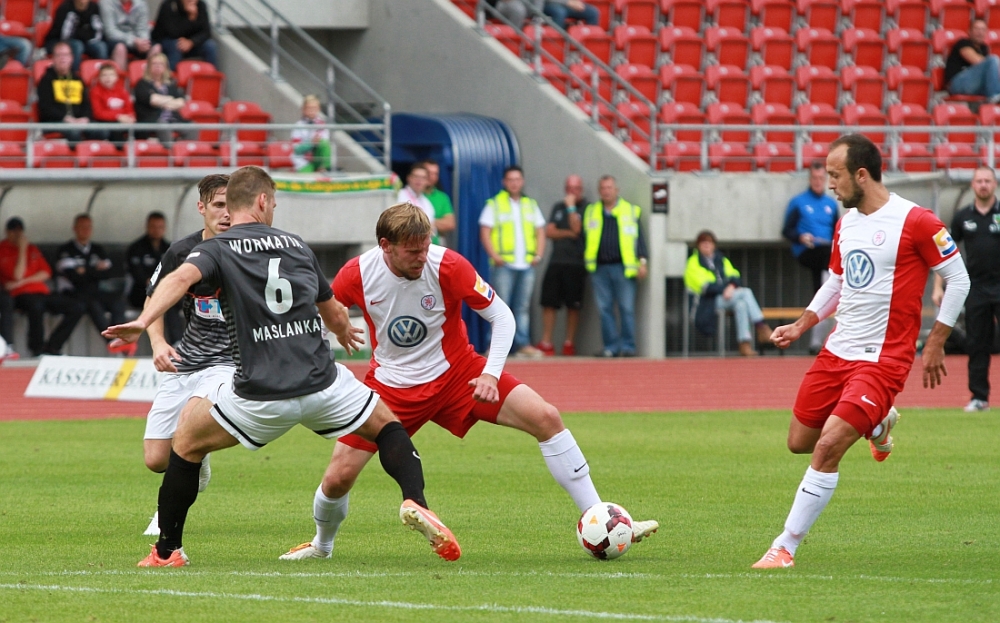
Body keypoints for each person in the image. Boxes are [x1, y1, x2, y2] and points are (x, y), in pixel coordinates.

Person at [103, 166, 459, 567]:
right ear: (261, 201)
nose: (273, 208)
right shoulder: (295, 244)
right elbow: (332, 311)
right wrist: (343, 331)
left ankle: (167, 551)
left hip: (262, 391)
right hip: (323, 381)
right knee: (387, 426)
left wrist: (143, 320)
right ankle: (415, 499)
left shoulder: (216, 248)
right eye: (273, 201)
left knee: (185, 443)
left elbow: (180, 277)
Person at [278, 203, 658, 561]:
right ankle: (322, 546)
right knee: (338, 477)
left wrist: (490, 373)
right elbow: (318, 315)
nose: (422, 256)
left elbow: (502, 317)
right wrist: (335, 334)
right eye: (412, 251)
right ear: (386, 246)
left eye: (426, 246)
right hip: (392, 387)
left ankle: (601, 519)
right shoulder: (357, 273)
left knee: (546, 417)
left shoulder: (448, 265)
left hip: (459, 374)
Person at [752, 134, 970, 569]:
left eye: (836, 175)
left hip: (883, 360)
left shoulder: (917, 221)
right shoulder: (846, 222)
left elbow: (958, 278)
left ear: (862, 175)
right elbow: (837, 281)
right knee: (799, 442)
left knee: (828, 446)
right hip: (837, 351)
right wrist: (801, 324)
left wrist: (936, 342)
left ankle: (785, 547)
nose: (830, 184)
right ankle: (879, 421)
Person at [139, 175, 233, 536]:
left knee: (187, 432)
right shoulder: (181, 251)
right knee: (155, 459)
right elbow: (154, 298)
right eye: (218, 205)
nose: (226, 213)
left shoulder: (251, 250)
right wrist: (158, 344)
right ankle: (198, 458)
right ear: (202, 207)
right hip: (187, 359)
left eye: (232, 205)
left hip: (231, 361)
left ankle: (165, 517)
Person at [932, 166, 1000, 412]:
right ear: (973, 185)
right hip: (976, 289)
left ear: (994, 184)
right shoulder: (962, 217)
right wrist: (938, 287)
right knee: (977, 344)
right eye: (979, 181)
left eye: (987, 181)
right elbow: (945, 254)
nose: (983, 185)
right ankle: (979, 398)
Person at [479, 166, 547, 358]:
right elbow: (485, 232)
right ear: (504, 182)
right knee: (500, 307)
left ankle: (522, 344)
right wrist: (495, 256)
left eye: (517, 179)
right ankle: (495, 346)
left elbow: (540, 231)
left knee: (522, 307)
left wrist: (538, 255)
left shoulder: (530, 204)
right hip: (504, 265)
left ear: (522, 181)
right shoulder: (494, 204)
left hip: (526, 264)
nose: (514, 183)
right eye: (510, 179)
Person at [0, 217, 85, 357]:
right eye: (13, 231)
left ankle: (53, 346)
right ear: (7, 232)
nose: (17, 234)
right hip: (20, 294)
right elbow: (17, 275)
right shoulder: (3, 250)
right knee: (36, 306)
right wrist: (22, 250)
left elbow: (46, 272)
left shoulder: (32, 248)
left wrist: (22, 281)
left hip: (40, 291)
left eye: (19, 231)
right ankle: (36, 348)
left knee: (77, 307)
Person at [583, 175, 647, 357]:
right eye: (603, 188)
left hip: (624, 268)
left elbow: (640, 239)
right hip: (599, 268)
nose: (606, 191)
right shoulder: (591, 211)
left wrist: (643, 262)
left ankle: (628, 347)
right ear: (599, 191)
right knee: (604, 309)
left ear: (616, 190)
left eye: (609, 187)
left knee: (626, 308)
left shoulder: (630, 211)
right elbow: (584, 238)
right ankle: (611, 347)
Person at [55, 213, 133, 356]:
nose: (85, 230)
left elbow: (108, 273)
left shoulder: (97, 249)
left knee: (117, 301)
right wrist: (95, 269)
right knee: (91, 304)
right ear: (74, 228)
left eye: (88, 227)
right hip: (73, 293)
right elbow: (74, 277)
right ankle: (111, 341)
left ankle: (121, 338)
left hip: (94, 291)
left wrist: (84, 270)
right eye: (82, 227)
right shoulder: (66, 250)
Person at [684, 230, 772, 357]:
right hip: (706, 302)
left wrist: (731, 286)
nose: (707, 245)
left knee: (741, 304)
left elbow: (735, 275)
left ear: (714, 245)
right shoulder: (693, 262)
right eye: (703, 243)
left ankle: (744, 344)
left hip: (726, 297)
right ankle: (761, 326)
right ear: (698, 245)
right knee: (746, 292)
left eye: (709, 242)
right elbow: (706, 287)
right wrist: (726, 288)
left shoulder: (720, 259)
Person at [782, 161, 839, 355]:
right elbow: (786, 230)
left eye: (821, 178)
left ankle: (818, 341)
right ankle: (830, 287)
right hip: (808, 250)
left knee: (828, 269)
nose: (817, 181)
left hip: (827, 252)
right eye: (814, 178)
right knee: (827, 270)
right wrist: (800, 237)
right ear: (809, 179)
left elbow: (837, 232)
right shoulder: (798, 202)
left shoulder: (831, 204)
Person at [536, 174, 587, 356]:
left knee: (573, 306)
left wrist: (571, 208)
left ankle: (569, 344)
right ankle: (546, 343)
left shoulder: (587, 208)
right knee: (549, 303)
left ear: (581, 190)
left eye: (576, 188)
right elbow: (549, 232)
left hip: (576, 263)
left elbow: (577, 229)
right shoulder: (558, 206)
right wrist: (568, 233)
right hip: (556, 261)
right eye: (569, 188)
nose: (572, 192)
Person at [126, 211, 182, 344]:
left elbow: (177, 272)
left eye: (160, 227)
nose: (156, 230)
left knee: (176, 300)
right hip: (141, 293)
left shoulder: (170, 249)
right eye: (153, 226)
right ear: (147, 227)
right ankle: (162, 342)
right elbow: (138, 275)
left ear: (165, 228)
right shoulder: (136, 248)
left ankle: (179, 343)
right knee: (164, 300)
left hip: (166, 291)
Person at [36, 41, 103, 145]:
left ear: (71, 58)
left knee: (102, 131)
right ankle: (78, 155)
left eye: (66, 55)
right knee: (74, 132)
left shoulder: (78, 79)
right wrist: (65, 118)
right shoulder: (46, 80)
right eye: (59, 55)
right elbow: (46, 108)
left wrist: (85, 118)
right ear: (53, 59)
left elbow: (86, 104)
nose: (63, 58)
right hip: (55, 121)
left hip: (77, 120)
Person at [133, 53, 194, 143]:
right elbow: (153, 100)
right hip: (152, 120)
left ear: (165, 67)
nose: (158, 66)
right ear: (149, 67)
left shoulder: (170, 84)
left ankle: (186, 150)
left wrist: (163, 102)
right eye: (154, 64)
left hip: (173, 119)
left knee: (192, 127)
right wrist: (171, 100)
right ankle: (169, 150)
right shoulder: (142, 84)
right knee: (163, 125)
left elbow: (181, 101)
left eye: (161, 64)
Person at [944, 19, 1000, 102]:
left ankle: (995, 97)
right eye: (976, 29)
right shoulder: (963, 43)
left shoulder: (984, 48)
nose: (980, 32)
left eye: (983, 30)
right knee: (993, 60)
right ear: (969, 31)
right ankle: (995, 97)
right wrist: (992, 64)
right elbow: (976, 60)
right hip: (957, 84)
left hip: (974, 85)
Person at [151, 0, 217, 69]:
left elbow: (206, 32)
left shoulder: (201, 5)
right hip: (166, 40)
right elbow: (173, 33)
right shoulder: (169, 5)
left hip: (190, 43)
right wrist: (191, 18)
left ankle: (211, 73)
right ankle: (170, 73)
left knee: (210, 45)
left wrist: (192, 42)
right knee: (177, 45)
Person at [46, 0, 109, 72]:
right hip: (59, 40)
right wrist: (85, 33)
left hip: (86, 40)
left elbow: (98, 31)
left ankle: (103, 74)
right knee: (77, 46)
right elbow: (65, 34)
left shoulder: (94, 7)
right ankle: (74, 74)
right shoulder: (65, 7)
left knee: (100, 46)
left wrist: (84, 35)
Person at [100, 0, 158, 70]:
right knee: (120, 48)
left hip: (137, 39)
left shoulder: (141, 3)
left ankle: (147, 75)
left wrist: (143, 42)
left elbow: (142, 29)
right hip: (116, 38)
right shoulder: (106, 2)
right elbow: (110, 31)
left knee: (156, 47)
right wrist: (133, 41)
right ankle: (121, 75)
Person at [397, 163, 446, 245]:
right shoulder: (398, 196)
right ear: (409, 178)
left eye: (423, 177)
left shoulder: (427, 202)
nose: (419, 180)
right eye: (416, 176)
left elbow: (432, 228)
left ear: (427, 181)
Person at [89, 62, 136, 145]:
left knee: (138, 128)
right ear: (99, 78)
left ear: (116, 77)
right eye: (104, 75)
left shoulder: (122, 91)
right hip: (103, 123)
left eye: (111, 75)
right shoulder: (95, 91)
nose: (108, 78)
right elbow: (98, 113)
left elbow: (129, 109)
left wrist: (130, 117)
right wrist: (118, 116)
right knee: (115, 131)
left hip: (121, 122)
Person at [419, 159, 457, 245]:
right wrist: (437, 223)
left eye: (435, 174)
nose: (432, 177)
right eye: (429, 173)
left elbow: (450, 224)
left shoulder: (442, 197)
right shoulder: (413, 194)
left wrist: (425, 222)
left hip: (435, 244)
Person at [290, 94, 332, 173]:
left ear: (319, 109)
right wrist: (311, 143)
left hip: (317, 158)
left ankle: (324, 168)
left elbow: (325, 145)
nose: (312, 110)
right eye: (309, 108)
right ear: (303, 109)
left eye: (314, 108)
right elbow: (296, 149)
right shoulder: (298, 125)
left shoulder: (322, 124)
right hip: (302, 161)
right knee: (306, 176)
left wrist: (317, 142)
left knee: (325, 144)